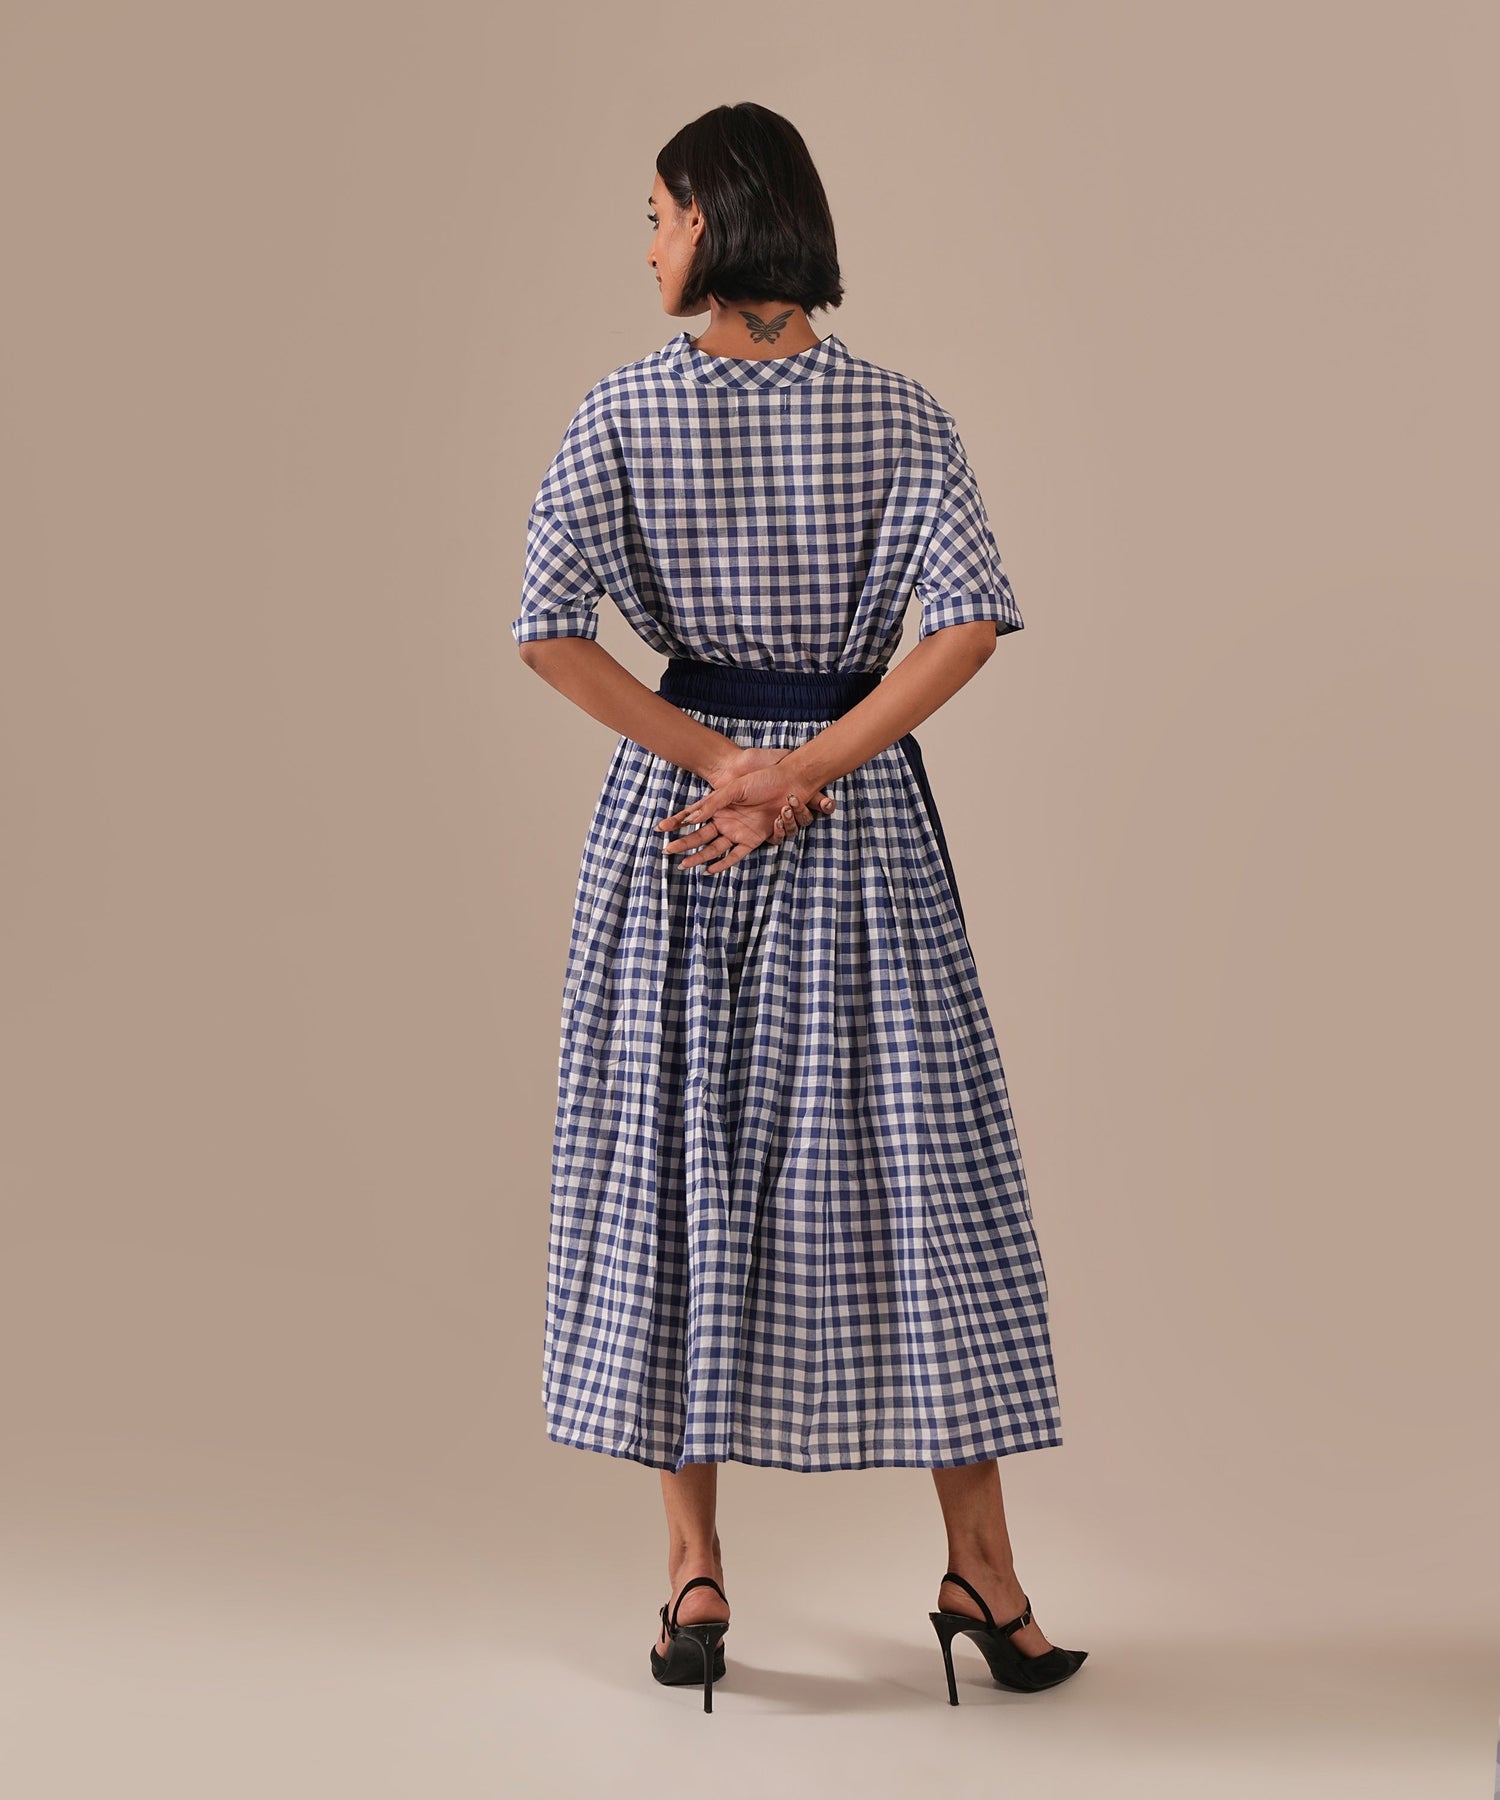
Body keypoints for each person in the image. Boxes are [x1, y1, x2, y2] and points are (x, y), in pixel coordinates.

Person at [512, 102, 1087, 1712]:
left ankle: (692, 1573)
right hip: (855, 816)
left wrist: (726, 765)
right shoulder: (899, 412)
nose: (644, 242)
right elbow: (964, 627)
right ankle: (985, 1573)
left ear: (712, 216)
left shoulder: (623, 408)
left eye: (655, 212)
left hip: (686, 826)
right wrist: (805, 767)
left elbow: (548, 630)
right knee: (921, 1168)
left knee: (677, 1159)